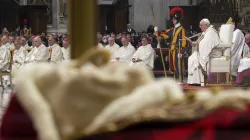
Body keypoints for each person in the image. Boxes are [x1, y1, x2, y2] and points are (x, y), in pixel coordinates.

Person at [156, 7, 187, 82]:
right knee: (173, 65)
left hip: (178, 49)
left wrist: (182, 51)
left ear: (177, 20)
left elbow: (183, 41)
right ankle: (176, 79)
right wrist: (158, 32)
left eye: (174, 19)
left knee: (178, 66)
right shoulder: (173, 29)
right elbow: (166, 34)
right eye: (172, 19)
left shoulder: (181, 29)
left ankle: (180, 81)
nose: (172, 21)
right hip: (172, 49)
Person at [187, 19, 220, 86]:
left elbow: (206, 44)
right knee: (192, 58)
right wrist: (194, 43)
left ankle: (199, 81)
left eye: (201, 25)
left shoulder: (211, 32)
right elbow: (202, 42)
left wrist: (197, 44)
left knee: (194, 59)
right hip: (208, 51)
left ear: (206, 25)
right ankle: (195, 80)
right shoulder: (206, 32)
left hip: (213, 52)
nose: (200, 27)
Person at [230, 15, 248, 81]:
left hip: (238, 51)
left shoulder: (237, 32)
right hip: (236, 50)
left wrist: (228, 51)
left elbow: (234, 45)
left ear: (233, 24)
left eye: (230, 23)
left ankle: (236, 78)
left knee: (232, 61)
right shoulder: (234, 32)